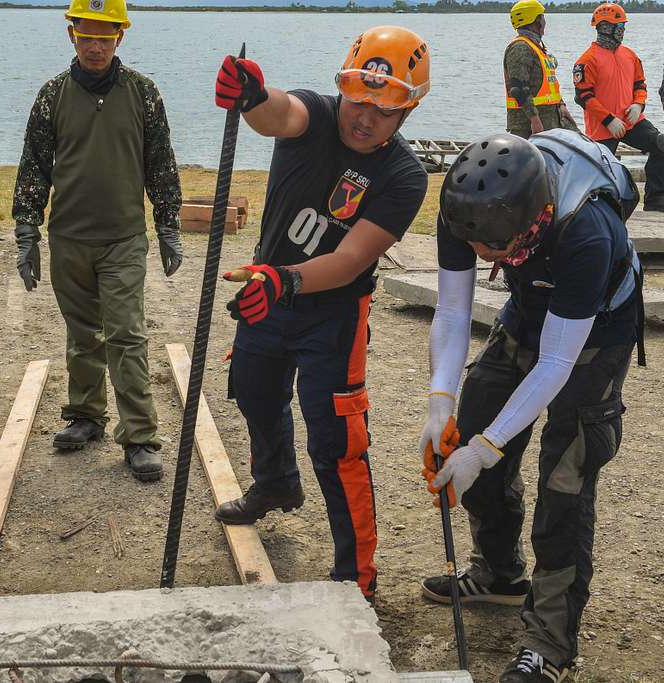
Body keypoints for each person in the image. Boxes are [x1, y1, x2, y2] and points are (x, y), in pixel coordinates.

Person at [211, 26, 432, 602]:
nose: (366, 118)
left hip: (333, 314)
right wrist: (252, 96)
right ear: (345, 87)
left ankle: (356, 576)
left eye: (385, 112)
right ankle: (276, 484)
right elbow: (277, 115)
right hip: (267, 289)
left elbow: (351, 257)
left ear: (408, 110)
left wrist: (287, 281)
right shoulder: (315, 112)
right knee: (254, 391)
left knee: (336, 442)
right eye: (360, 100)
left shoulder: (405, 178)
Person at [420, 129, 643, 682]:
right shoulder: (467, 212)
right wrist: (440, 403)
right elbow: (450, 311)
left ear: (532, 220)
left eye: (492, 252)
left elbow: (557, 364)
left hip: (597, 333)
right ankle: (499, 575)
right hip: (528, 310)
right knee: (474, 422)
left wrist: (485, 449)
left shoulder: (586, 232)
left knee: (565, 479)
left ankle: (551, 641)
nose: (480, 257)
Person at [12, 0, 183, 482]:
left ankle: (140, 436)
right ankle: (85, 414)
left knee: (126, 333)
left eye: (105, 37)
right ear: (71, 34)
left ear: (120, 38)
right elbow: (33, 167)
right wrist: (26, 230)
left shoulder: (143, 93)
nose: (95, 45)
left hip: (123, 238)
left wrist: (168, 224)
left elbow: (161, 162)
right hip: (68, 236)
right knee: (83, 332)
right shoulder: (52, 96)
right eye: (86, 35)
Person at [573, 2, 664, 211]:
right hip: (603, 127)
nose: (622, 32)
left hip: (632, 121)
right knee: (601, 169)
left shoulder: (630, 55)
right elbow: (583, 97)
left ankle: (656, 198)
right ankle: (603, 208)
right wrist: (609, 119)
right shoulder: (587, 60)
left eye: (623, 27)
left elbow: (640, 85)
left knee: (660, 144)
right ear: (605, 27)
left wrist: (638, 105)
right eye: (619, 27)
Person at [503, 0, 578, 138]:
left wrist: (561, 105)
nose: (544, 22)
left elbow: (548, 85)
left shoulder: (536, 47)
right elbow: (519, 89)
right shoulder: (520, 48)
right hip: (529, 126)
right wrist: (534, 119)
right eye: (542, 17)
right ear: (535, 21)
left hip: (551, 119)